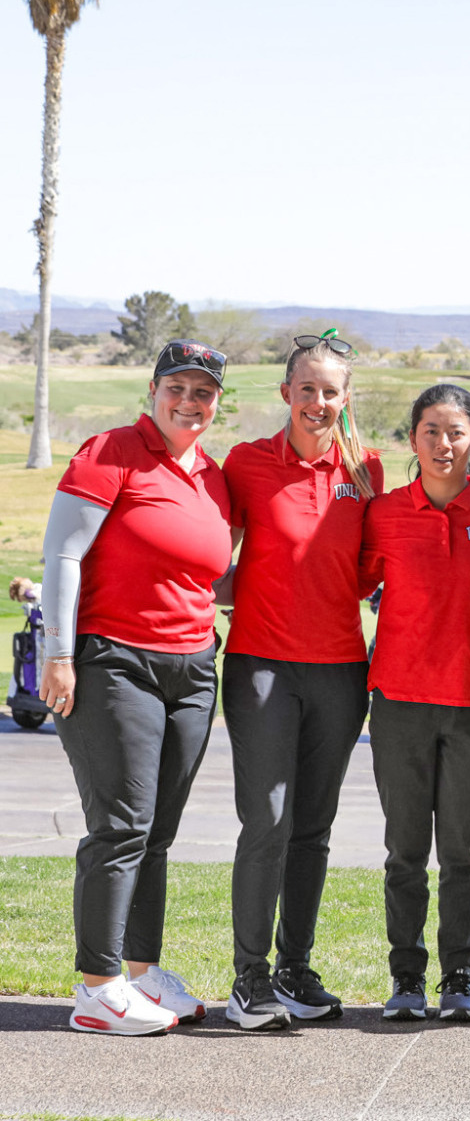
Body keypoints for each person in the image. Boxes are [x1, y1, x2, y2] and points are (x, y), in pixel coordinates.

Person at [39, 340, 232, 1035]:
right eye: (177, 387)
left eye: (203, 392)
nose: (189, 401)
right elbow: (62, 551)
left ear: (217, 402)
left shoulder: (210, 474)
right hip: (113, 659)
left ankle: (142, 972)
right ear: (152, 390)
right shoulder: (112, 450)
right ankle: (98, 985)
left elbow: (212, 570)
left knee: (157, 831)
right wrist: (57, 653)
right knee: (120, 825)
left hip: (190, 667)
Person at [219, 330, 383, 1029]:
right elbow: (206, 551)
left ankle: (293, 968)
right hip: (261, 664)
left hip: (342, 668)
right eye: (307, 388)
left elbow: (373, 569)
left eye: (331, 390)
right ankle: (248, 977)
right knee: (269, 820)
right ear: (286, 392)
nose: (319, 401)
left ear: (347, 399)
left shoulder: (367, 468)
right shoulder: (246, 462)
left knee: (312, 827)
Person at [361, 385, 470, 1022]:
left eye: (455, 432)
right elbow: (352, 581)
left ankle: (459, 978)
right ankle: (406, 979)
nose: (443, 443)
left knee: (462, 853)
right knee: (405, 851)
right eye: (430, 431)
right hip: (399, 701)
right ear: (413, 439)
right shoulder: (384, 514)